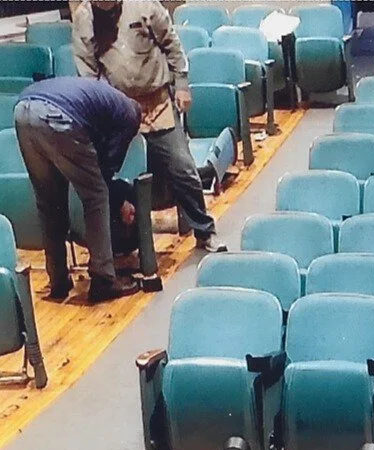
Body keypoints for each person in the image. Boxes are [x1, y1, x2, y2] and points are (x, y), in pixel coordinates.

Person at [72, 0, 222, 251]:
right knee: (106, 175)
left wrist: (182, 85)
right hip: (119, 108)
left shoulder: (143, 5)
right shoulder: (84, 17)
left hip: (157, 102)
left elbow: (172, 44)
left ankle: (204, 232)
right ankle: (120, 246)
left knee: (182, 168)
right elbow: (87, 70)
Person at [13, 75, 142, 302]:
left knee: (49, 204)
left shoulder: (102, 102)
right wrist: (121, 200)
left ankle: (58, 281)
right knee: (96, 196)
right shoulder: (129, 116)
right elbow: (105, 172)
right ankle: (104, 279)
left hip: (23, 110)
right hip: (58, 116)